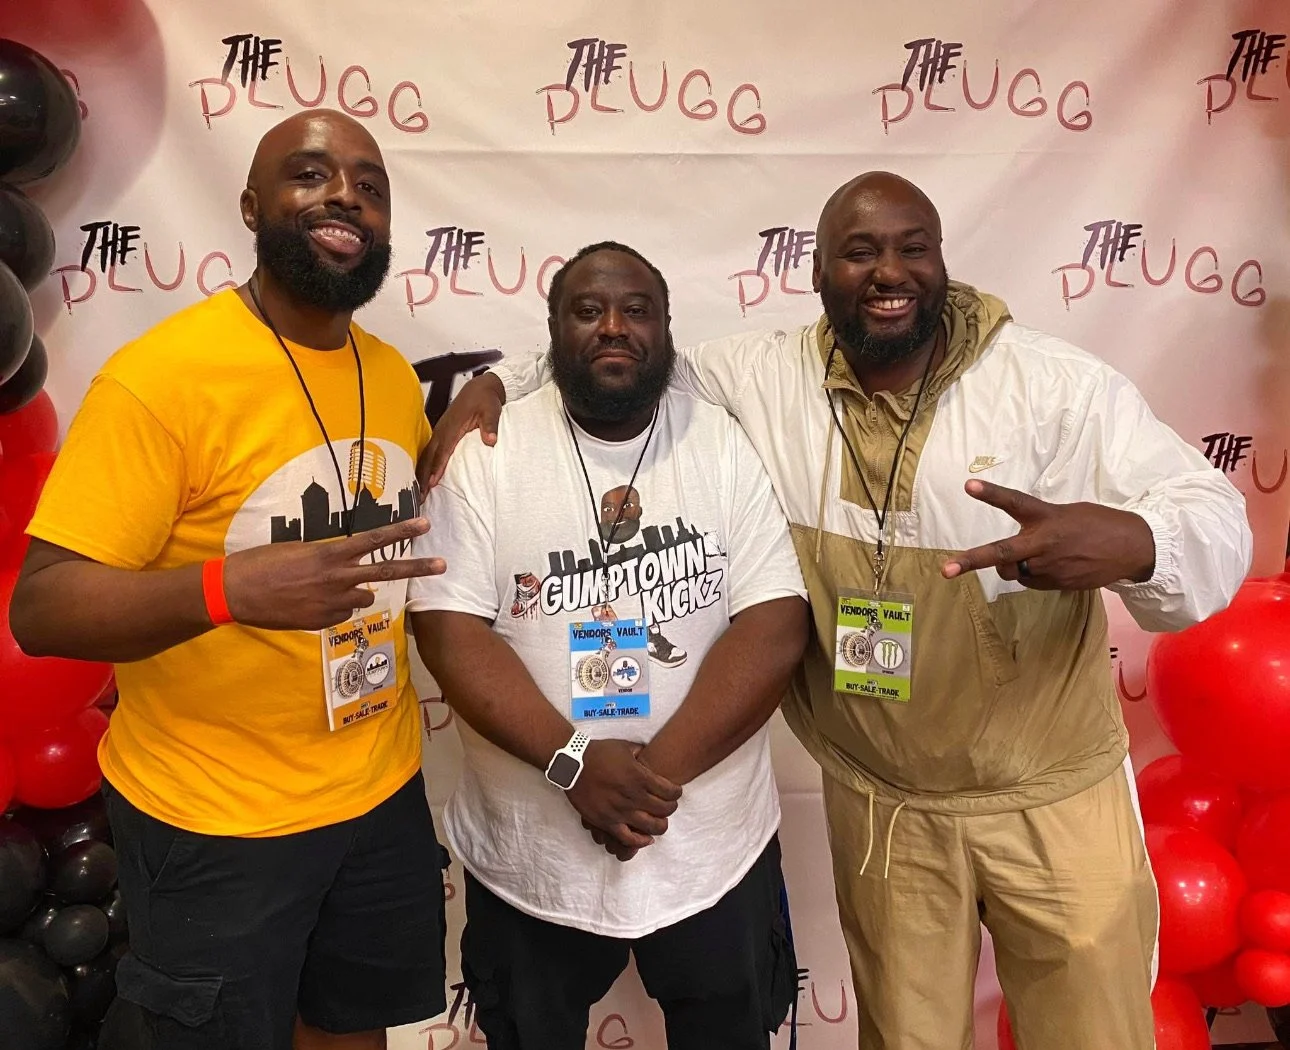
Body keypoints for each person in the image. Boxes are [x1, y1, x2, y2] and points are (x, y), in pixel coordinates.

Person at [417, 175, 1254, 1050]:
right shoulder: (767, 377)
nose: (889, 272)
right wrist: (498, 382)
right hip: (883, 806)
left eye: (912, 248)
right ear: (817, 274)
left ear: (942, 260)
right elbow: (621, 351)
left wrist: (1139, 541)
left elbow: (1211, 514)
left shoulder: (1053, 388)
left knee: (1091, 1036)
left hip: (1049, 798)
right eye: (860, 252)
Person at [11, 110, 448, 1050]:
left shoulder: (388, 375)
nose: (345, 197)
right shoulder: (160, 379)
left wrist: (479, 398)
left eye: (370, 186)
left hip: (379, 792)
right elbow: (41, 608)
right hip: (213, 822)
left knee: (351, 1030)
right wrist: (226, 591)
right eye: (311, 174)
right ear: (251, 206)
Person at [407, 241, 810, 1050]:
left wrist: (649, 778)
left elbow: (774, 622)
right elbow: (449, 629)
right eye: (588, 311)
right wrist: (575, 764)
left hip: (710, 854)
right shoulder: (487, 452)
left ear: (667, 328)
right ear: (553, 330)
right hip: (533, 862)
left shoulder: (721, 441)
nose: (614, 327)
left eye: (636, 310)